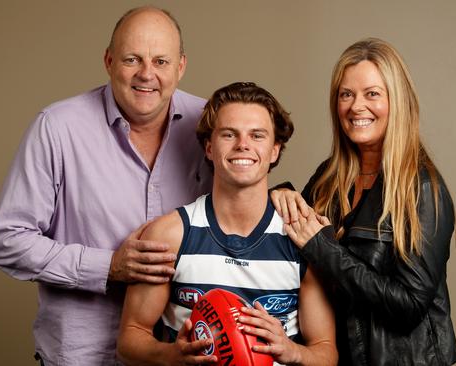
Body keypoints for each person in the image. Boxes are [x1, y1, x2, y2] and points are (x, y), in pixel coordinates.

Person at [0, 6, 212, 365]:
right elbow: (7, 240)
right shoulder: (58, 128)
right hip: (84, 355)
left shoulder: (210, 125)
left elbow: (242, 209)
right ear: (109, 61)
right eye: (131, 59)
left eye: (161, 61)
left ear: (181, 66)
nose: (146, 74)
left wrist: (280, 198)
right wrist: (106, 267)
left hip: (181, 353)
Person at [117, 82, 338, 365]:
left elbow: (326, 352)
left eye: (257, 135)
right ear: (209, 147)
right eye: (229, 134)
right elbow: (129, 339)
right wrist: (173, 354)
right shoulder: (170, 235)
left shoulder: (301, 238)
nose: (243, 144)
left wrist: (291, 351)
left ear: (274, 150)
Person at [271, 38, 456, 365]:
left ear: (397, 101)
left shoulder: (423, 189)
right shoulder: (330, 176)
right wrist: (281, 192)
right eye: (347, 94)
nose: (356, 106)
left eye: (372, 94)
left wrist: (325, 250)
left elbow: (410, 306)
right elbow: (292, 237)